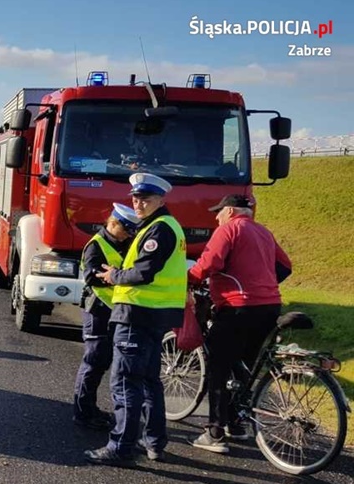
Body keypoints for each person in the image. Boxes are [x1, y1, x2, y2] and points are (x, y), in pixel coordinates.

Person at [85, 173, 187, 465]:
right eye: (136, 198)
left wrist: (113, 275)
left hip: (137, 314)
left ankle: (121, 446)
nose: (138, 204)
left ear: (161, 200)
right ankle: (153, 442)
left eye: (145, 199)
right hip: (154, 315)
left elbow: (143, 273)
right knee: (149, 382)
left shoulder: (158, 230)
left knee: (126, 383)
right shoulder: (164, 226)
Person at [188, 194, 292, 454]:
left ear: (231, 211)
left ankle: (214, 432)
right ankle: (236, 423)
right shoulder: (263, 232)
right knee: (243, 363)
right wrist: (261, 283)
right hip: (269, 306)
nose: (216, 216)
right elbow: (285, 266)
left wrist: (190, 279)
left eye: (219, 211)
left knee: (218, 366)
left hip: (238, 307)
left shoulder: (229, 229)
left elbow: (210, 263)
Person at [73, 203, 140, 430]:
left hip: (116, 311)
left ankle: (89, 409)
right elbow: (91, 277)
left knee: (103, 363)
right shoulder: (96, 245)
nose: (130, 235)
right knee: (93, 362)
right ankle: (83, 411)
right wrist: (116, 277)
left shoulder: (125, 243)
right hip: (98, 311)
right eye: (127, 230)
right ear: (113, 224)